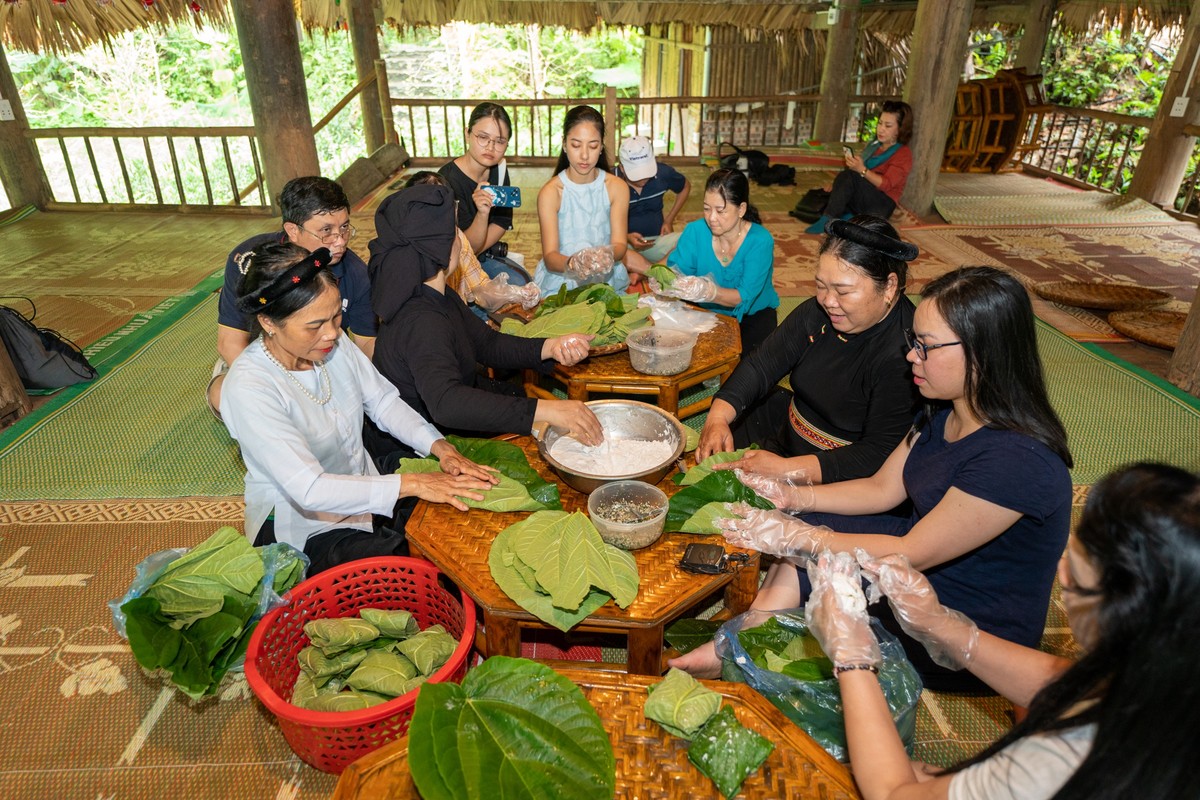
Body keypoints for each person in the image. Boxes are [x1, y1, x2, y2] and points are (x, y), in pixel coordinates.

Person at [674, 266, 1073, 693]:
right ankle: (736, 645)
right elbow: (882, 489)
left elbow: (911, 552)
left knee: (812, 549)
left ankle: (734, 649)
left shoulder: (1016, 459)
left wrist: (794, 535)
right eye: (913, 342)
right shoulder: (945, 409)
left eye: (926, 347)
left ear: (983, 353)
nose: (911, 357)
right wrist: (791, 497)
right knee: (812, 534)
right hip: (920, 563)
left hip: (960, 620)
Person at [803, 462, 1200, 799]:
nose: (1060, 574)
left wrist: (852, 654)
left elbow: (893, 793)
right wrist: (939, 624)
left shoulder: (1060, 760)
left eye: (1074, 577)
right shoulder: (1171, 674)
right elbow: (1074, 688)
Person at [218, 242, 498, 576]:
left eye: (337, 317)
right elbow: (309, 489)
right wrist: (414, 484)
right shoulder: (250, 387)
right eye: (315, 325)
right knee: (414, 569)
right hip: (306, 528)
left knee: (461, 506)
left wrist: (440, 447)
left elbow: (382, 401)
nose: (333, 333)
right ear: (268, 322)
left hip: (362, 481)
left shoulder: (331, 346)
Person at [366, 182, 602, 468]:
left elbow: (487, 344)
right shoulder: (421, 319)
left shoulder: (438, 295)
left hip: (447, 429)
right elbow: (447, 403)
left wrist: (551, 347)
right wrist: (546, 410)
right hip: (422, 453)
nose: (461, 239)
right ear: (439, 247)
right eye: (454, 232)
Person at [695, 216, 918, 482]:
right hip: (789, 431)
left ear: (889, 286)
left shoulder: (906, 353)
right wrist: (717, 417)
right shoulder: (817, 312)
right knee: (716, 450)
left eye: (843, 292)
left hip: (841, 476)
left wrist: (785, 470)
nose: (828, 301)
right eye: (821, 286)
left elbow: (876, 453)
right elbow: (762, 364)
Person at [208, 176, 375, 416]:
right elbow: (230, 342)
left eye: (345, 227)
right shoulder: (251, 261)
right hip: (260, 358)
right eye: (326, 231)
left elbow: (366, 345)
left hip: (324, 359)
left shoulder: (356, 274)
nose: (340, 241)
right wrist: (281, 391)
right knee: (225, 394)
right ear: (292, 230)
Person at [626, 168, 779, 354]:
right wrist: (661, 278)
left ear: (741, 209)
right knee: (677, 356)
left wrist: (709, 291)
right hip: (704, 312)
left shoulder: (759, 241)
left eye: (720, 211)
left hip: (752, 315)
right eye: (707, 209)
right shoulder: (696, 231)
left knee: (746, 371)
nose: (711, 218)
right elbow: (674, 267)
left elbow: (743, 296)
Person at [533, 105, 630, 296]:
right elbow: (550, 256)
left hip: (606, 280)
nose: (584, 155)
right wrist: (574, 263)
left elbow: (620, 245)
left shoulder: (616, 187)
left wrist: (606, 255)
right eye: (576, 145)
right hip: (562, 281)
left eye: (593, 146)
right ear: (564, 144)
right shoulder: (551, 192)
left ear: (601, 146)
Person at [438, 102, 529, 286]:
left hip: (482, 253)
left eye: (500, 141)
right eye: (483, 137)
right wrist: (482, 214)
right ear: (467, 134)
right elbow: (463, 247)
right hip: (453, 265)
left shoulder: (500, 168)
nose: (490, 147)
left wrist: (479, 249)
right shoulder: (447, 181)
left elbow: (502, 221)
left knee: (523, 285)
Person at [805, 100, 914, 234]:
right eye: (880, 123)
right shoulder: (874, 145)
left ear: (900, 129)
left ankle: (828, 220)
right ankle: (845, 219)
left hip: (881, 204)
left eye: (888, 125)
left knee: (849, 176)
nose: (881, 129)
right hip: (864, 196)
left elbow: (886, 184)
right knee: (836, 187)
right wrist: (837, 186)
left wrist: (862, 169)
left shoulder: (903, 154)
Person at [616, 135, 691, 263]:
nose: (643, 179)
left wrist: (669, 220)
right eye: (637, 175)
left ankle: (644, 269)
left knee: (691, 242)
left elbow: (685, 186)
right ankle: (651, 268)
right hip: (623, 246)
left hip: (657, 242)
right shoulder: (611, 181)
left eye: (646, 172)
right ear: (622, 168)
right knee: (607, 254)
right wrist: (626, 237)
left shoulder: (662, 173)